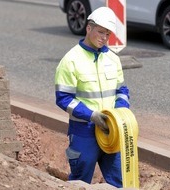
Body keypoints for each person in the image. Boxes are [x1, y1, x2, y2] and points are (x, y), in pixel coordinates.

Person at [54, 6, 130, 188]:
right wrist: (91, 115)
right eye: (101, 32)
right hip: (83, 131)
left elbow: (122, 90)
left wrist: (121, 112)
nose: (104, 38)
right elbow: (63, 98)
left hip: (111, 130)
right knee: (80, 183)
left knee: (119, 181)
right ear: (89, 28)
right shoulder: (71, 60)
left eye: (108, 34)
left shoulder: (113, 59)